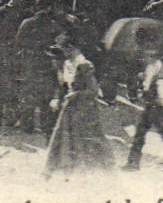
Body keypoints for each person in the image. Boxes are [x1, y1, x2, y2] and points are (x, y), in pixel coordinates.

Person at [43, 41, 112, 178]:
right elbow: (63, 85)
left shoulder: (84, 65)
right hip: (70, 108)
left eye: (66, 51)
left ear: (74, 49)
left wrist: (76, 94)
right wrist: (57, 98)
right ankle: (64, 167)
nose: (65, 54)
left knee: (86, 139)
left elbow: (93, 91)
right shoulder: (68, 64)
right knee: (65, 138)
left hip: (85, 109)